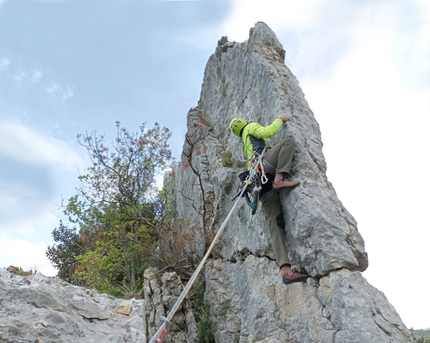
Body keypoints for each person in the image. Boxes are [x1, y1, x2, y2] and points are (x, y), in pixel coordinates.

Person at [230, 113, 308, 285]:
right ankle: (279, 179)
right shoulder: (250, 127)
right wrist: (280, 119)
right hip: (266, 170)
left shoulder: (245, 145)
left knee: (274, 223)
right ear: (245, 123)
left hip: (260, 185)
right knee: (288, 140)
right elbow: (267, 132)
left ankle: (286, 271)